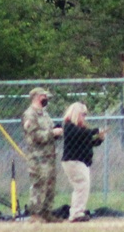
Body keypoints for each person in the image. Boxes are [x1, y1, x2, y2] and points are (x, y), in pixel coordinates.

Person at [22, 87, 63, 223]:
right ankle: (35, 214)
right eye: (44, 97)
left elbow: (48, 130)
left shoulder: (44, 114)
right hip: (37, 157)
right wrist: (52, 133)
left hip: (49, 155)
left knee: (50, 185)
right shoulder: (30, 115)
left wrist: (57, 132)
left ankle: (47, 213)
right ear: (37, 97)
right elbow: (34, 136)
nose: (46, 100)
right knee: (39, 184)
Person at [60, 102, 106, 223]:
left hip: (81, 161)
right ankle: (76, 213)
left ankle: (77, 212)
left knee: (81, 186)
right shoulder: (69, 126)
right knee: (82, 184)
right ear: (75, 113)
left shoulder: (81, 128)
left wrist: (99, 139)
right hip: (74, 161)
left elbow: (88, 142)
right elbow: (79, 135)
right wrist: (95, 131)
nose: (84, 117)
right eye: (82, 114)